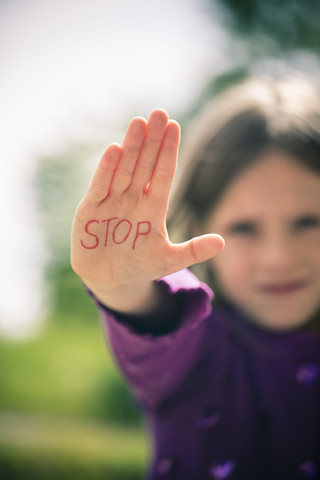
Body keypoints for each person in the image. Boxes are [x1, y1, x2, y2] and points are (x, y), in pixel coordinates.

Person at [71, 75, 320, 480]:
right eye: (244, 228)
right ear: (197, 225)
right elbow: (159, 315)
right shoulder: (199, 353)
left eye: (308, 221)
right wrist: (121, 286)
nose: (279, 258)